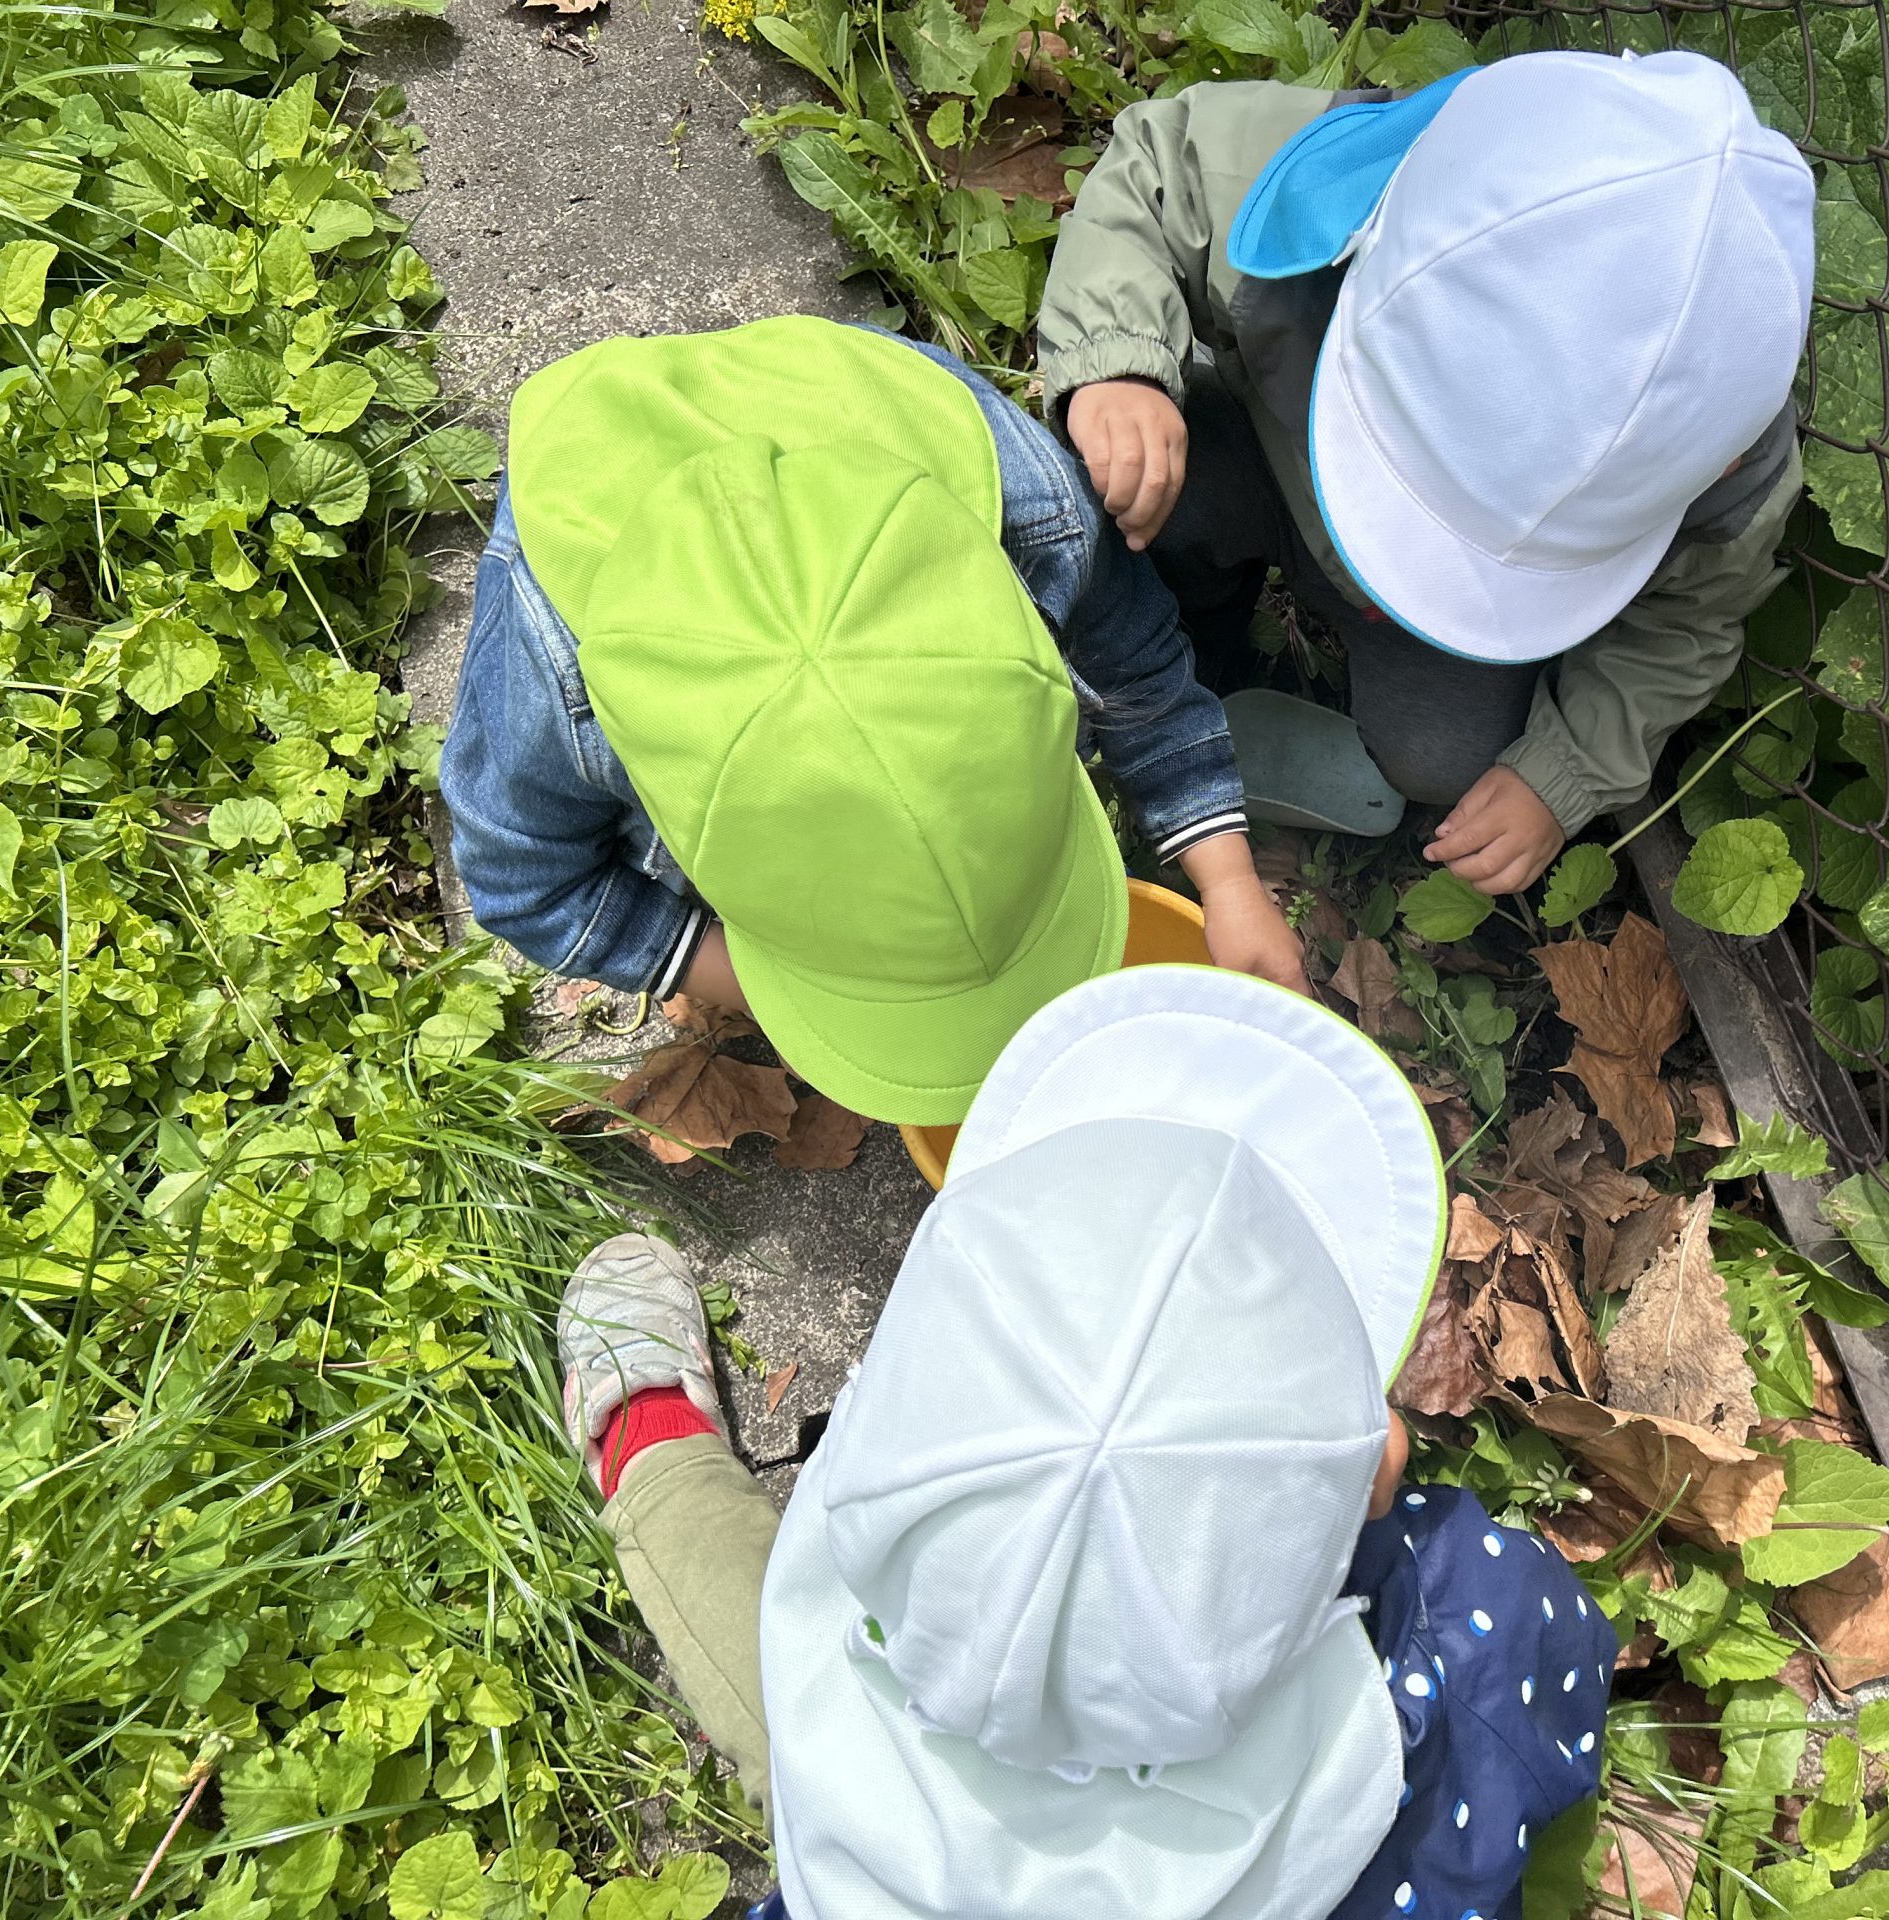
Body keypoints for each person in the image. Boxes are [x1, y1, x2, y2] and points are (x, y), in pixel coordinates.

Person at [557, 967, 1618, 1919]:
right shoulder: (1471, 1642)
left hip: (871, 1841)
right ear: (1379, 1458)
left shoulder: (894, 1490)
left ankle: (650, 1446)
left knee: (779, 1685)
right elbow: (1561, 1674)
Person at [438, 315, 1309, 1124]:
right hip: (599, 507)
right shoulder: (551, 679)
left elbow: (1137, 667)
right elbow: (527, 885)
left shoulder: (1032, 511)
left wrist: (1229, 882)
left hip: (852, 411)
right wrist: (753, 981)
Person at [1035, 49, 1817, 896]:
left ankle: (1239, 737)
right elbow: (1160, 168)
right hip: (1268, 455)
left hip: (1434, 627)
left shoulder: (1729, 462)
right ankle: (1175, 686)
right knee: (1133, 490)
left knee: (1444, 755)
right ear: (1384, 254)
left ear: (1717, 462)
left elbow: (1686, 622)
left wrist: (1562, 772)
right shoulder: (1323, 181)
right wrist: (1119, 366)